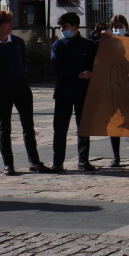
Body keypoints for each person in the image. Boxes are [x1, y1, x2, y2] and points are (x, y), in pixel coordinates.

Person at [0, 10, 45, 175]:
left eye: (11, 21)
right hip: (2, 89)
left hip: (21, 86)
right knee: (4, 127)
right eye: (7, 22)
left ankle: (34, 162)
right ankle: (8, 164)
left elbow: (23, 63)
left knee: (28, 126)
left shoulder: (17, 42)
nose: (11, 25)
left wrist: (22, 77)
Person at [51, 12, 97, 171]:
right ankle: (57, 162)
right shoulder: (58, 45)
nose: (61, 29)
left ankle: (83, 160)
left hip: (83, 93)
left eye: (64, 26)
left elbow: (108, 54)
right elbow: (57, 67)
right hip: (63, 93)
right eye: (61, 27)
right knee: (60, 129)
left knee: (83, 127)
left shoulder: (89, 45)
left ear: (75, 27)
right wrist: (77, 74)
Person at [107, 14, 129, 167]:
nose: (118, 29)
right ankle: (116, 157)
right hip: (113, 89)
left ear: (126, 27)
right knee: (115, 123)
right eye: (115, 26)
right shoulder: (106, 43)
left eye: (121, 26)